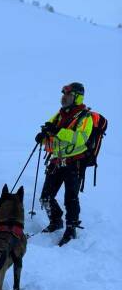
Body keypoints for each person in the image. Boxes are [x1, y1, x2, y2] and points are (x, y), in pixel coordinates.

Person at [36, 82, 93, 246]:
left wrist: (58, 131)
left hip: (73, 163)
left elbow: (81, 138)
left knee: (71, 198)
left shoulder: (85, 117)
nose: (64, 97)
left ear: (76, 97)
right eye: (63, 94)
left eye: (68, 94)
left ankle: (71, 228)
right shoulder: (60, 114)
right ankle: (56, 221)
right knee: (45, 197)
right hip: (56, 160)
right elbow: (51, 130)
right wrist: (43, 136)